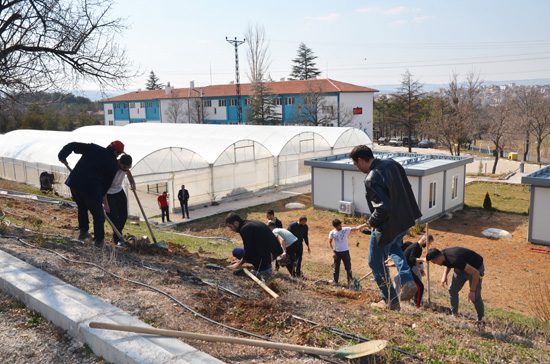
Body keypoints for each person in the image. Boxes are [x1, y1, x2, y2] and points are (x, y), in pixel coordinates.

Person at [350, 145, 422, 310]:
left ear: (361, 160)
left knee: (375, 262)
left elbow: (382, 208)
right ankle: (407, 280)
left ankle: (391, 301)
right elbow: (406, 189)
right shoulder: (392, 164)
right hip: (404, 221)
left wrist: (370, 223)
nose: (356, 167)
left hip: (387, 226)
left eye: (356, 164)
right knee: (395, 248)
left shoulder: (372, 178)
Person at [58, 140, 124, 248]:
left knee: (82, 207)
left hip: (75, 183)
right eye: (120, 153)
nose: (119, 155)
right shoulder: (113, 164)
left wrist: (62, 155)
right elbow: (106, 185)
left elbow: (73, 145)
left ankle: (83, 233)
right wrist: (101, 199)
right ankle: (99, 241)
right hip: (91, 189)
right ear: (116, 152)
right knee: (98, 215)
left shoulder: (94, 148)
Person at [426, 247, 485, 322]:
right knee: (452, 290)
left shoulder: (454, 259)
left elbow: (475, 273)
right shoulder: (442, 255)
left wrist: (472, 291)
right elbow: (448, 263)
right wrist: (445, 275)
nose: (435, 264)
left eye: (434, 262)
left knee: (475, 297)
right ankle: (454, 314)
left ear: (438, 258)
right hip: (461, 268)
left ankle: (481, 320)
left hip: (475, 268)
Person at [225, 212, 283, 276]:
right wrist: (241, 261)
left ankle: (264, 270)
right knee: (236, 251)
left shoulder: (245, 229)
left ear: (236, 223)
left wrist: (238, 264)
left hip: (268, 256)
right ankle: (263, 265)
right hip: (272, 251)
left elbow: (248, 250)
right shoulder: (249, 223)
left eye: (231, 226)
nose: (231, 229)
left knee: (248, 256)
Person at [103, 154, 136, 246]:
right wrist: (105, 204)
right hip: (108, 194)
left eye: (128, 167)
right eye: (124, 167)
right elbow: (103, 188)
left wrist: (132, 182)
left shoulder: (125, 166)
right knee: (113, 218)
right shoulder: (111, 169)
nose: (126, 169)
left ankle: (118, 237)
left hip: (119, 191)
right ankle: (118, 239)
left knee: (123, 215)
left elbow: (128, 172)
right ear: (119, 163)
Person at [328, 219, 368, 288]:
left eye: (340, 224)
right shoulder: (332, 233)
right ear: (335, 226)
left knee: (348, 268)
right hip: (337, 253)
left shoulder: (345, 229)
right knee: (336, 268)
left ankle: (350, 283)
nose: (340, 226)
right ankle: (335, 281)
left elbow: (356, 228)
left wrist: (366, 224)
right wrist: (333, 252)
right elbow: (330, 242)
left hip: (345, 252)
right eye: (338, 225)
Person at [403, 234, 434, 307]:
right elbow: (412, 259)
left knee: (418, 285)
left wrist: (420, 269)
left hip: (410, 268)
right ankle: (417, 305)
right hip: (405, 269)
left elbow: (416, 261)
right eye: (428, 243)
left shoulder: (419, 248)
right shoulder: (415, 247)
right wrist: (423, 259)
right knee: (420, 286)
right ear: (424, 240)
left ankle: (415, 302)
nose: (428, 245)